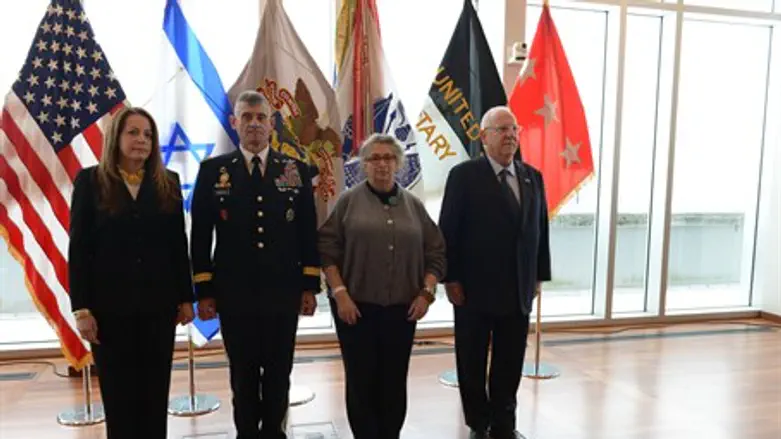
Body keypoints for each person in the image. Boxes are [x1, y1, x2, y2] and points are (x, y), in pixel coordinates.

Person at [190, 90, 320, 439]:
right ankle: (246, 433)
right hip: (235, 294)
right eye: (246, 117)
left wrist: (309, 285)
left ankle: (274, 433)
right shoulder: (213, 172)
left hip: (283, 291)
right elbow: (200, 237)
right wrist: (204, 290)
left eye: (261, 117)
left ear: (272, 124)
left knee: (279, 371)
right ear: (234, 123)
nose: (254, 124)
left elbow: (308, 231)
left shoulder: (295, 171)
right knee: (243, 373)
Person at [68, 107, 195, 439]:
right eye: (133, 132)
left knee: (154, 395)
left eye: (148, 135)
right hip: (109, 312)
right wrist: (82, 309)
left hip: (158, 308)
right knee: (119, 396)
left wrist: (186, 297)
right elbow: (79, 250)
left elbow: (177, 246)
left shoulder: (168, 182)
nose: (142, 140)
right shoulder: (90, 181)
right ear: (116, 138)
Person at [318, 133, 446, 439]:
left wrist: (427, 293)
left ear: (399, 164)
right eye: (374, 158)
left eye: (389, 158)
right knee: (361, 382)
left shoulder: (414, 206)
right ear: (364, 165)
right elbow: (326, 249)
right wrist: (340, 295)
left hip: (402, 312)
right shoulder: (348, 202)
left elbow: (437, 252)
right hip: (356, 311)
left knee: (393, 380)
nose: (382, 164)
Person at [438, 106, 552, 439]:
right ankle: (478, 422)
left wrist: (538, 276)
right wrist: (451, 278)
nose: (510, 136)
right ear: (484, 136)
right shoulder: (464, 175)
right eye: (502, 129)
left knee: (510, 360)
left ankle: (504, 423)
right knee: (471, 361)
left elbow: (539, 231)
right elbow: (449, 230)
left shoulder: (533, 177)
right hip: (473, 289)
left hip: (518, 287)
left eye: (514, 129)